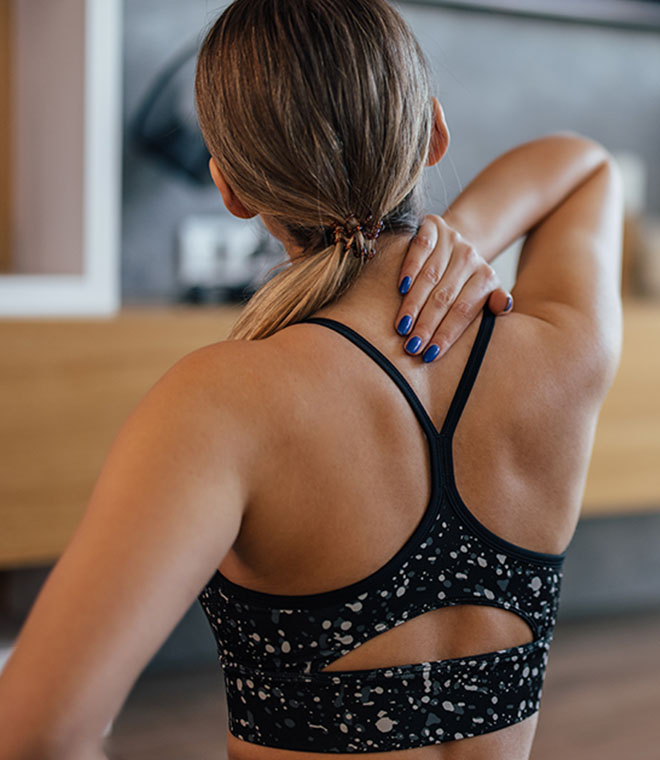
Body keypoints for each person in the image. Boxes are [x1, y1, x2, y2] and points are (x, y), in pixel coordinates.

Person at [0, 1, 623, 759]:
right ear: (433, 133)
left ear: (230, 189)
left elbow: (36, 735)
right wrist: (459, 240)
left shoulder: (221, 406)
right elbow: (587, 166)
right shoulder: (565, 352)